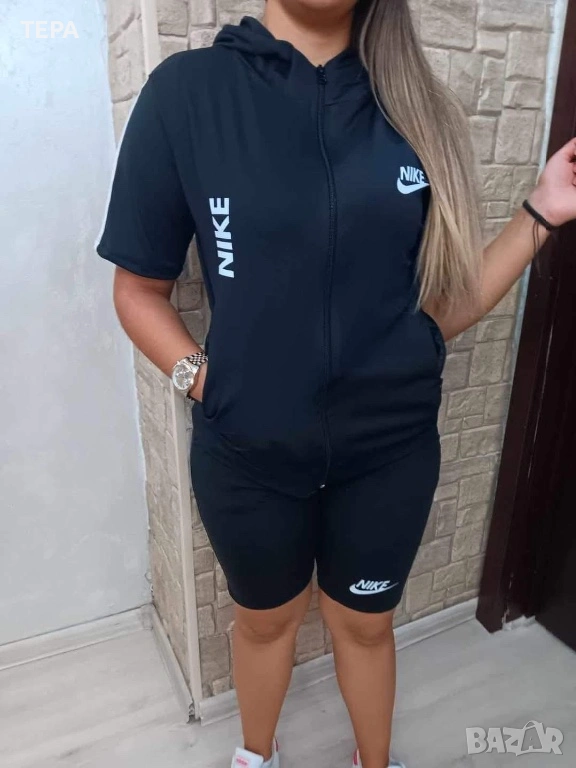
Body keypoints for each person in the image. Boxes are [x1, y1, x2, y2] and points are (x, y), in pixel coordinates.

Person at [96, 0, 576, 764]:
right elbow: (137, 290)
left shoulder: (417, 107)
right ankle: (256, 756)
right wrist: (207, 383)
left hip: (390, 451)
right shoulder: (189, 95)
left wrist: (539, 213)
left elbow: (439, 310)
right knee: (265, 623)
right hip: (249, 450)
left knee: (366, 624)